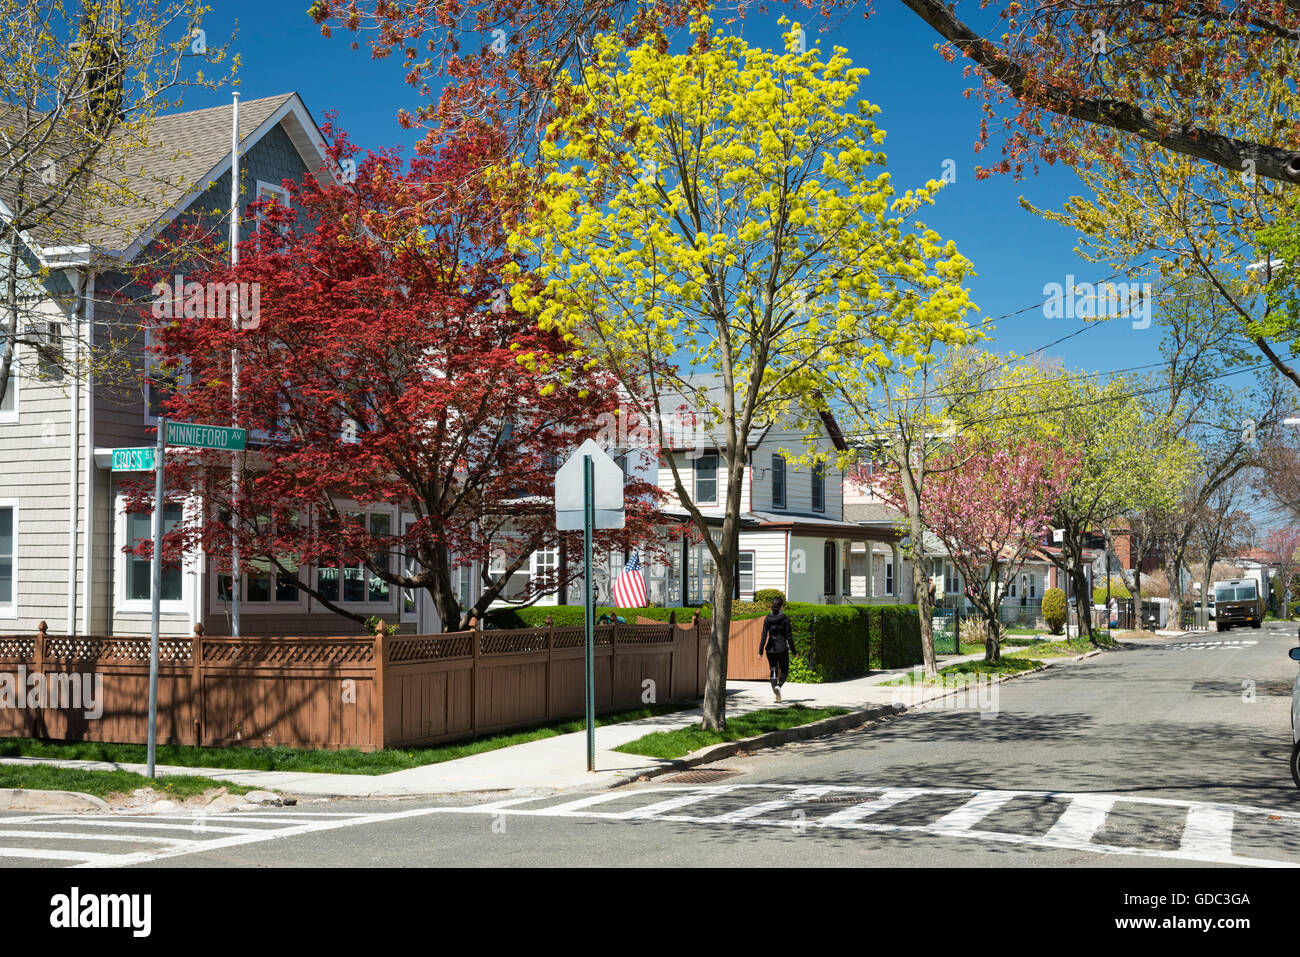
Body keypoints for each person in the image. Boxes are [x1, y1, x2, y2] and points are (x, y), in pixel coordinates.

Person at [758, 597, 797, 702]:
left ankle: (776, 695)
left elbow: (763, 636)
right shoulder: (785, 619)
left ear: (772, 606)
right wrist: (794, 652)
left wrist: (760, 651)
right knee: (784, 671)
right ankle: (779, 686)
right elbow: (789, 637)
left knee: (773, 669)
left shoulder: (767, 618)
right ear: (781, 606)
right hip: (782, 648)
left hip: (770, 649)